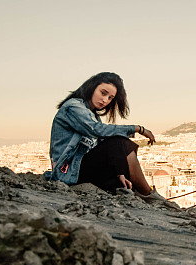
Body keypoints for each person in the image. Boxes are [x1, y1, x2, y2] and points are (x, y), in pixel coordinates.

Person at [45, 71, 166, 201]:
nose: (105, 100)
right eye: (103, 93)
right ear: (91, 87)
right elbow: (98, 130)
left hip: (82, 168)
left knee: (122, 183)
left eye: (110, 98)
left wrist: (119, 172)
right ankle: (149, 195)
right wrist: (138, 129)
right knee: (119, 142)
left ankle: (143, 194)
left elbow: (99, 145)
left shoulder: (93, 115)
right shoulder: (73, 106)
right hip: (68, 171)